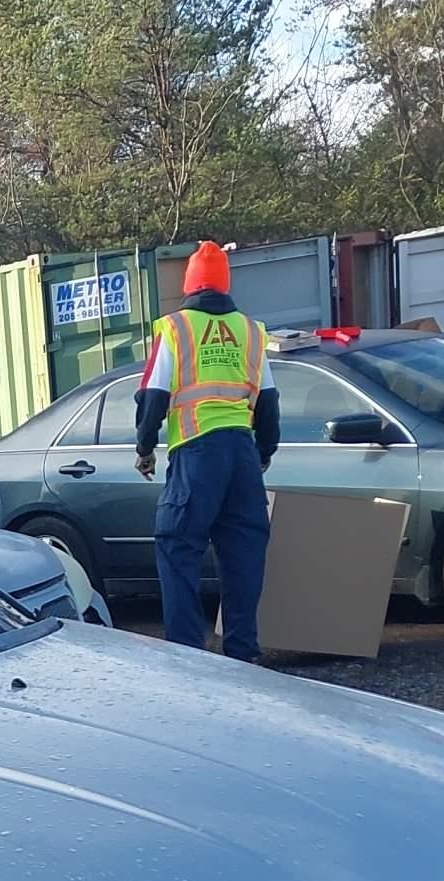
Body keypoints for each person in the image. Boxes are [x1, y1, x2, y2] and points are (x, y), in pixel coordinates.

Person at [134, 241, 281, 663]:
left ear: (189, 286)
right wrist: (264, 451)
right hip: (242, 456)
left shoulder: (176, 328)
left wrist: (145, 448)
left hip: (196, 454)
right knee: (243, 556)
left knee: (177, 547)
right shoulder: (251, 331)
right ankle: (242, 654)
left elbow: (153, 395)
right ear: (225, 285)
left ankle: (189, 659)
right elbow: (268, 401)